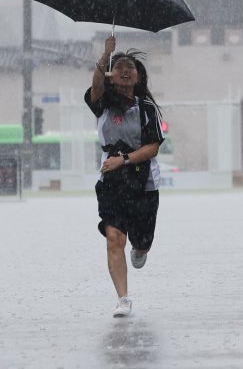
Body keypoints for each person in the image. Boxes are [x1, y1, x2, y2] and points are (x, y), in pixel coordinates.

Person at [86, 37, 166, 318]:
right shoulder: (102, 103)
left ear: (138, 75)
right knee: (114, 237)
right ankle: (123, 298)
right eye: (118, 66)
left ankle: (141, 248)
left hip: (142, 180)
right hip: (112, 180)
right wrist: (105, 54)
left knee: (141, 241)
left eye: (129, 67)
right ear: (110, 74)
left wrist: (126, 159)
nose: (124, 70)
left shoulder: (147, 109)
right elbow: (96, 86)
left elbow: (154, 147)